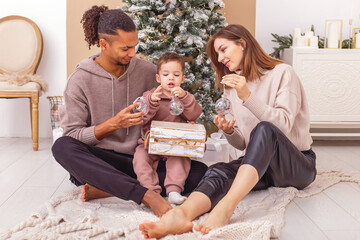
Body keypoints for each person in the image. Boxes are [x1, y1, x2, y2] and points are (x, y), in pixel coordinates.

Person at [139, 24, 317, 239]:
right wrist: (230, 131)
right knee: (219, 169)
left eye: (223, 49)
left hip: (297, 166)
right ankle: (180, 215)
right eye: (217, 53)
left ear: (242, 43)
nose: (220, 57)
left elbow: (282, 127)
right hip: (261, 168)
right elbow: (244, 144)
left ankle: (226, 208)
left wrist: (247, 96)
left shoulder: (282, 73)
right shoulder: (231, 85)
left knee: (265, 129)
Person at [51, 5, 208, 217]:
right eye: (125, 48)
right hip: (102, 160)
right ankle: (146, 195)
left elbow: (174, 110)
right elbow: (72, 135)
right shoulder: (79, 80)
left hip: (141, 159)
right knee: (62, 147)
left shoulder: (148, 71)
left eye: (135, 46)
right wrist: (113, 124)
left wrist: (183, 130)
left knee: (199, 173)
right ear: (104, 44)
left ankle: (110, 187)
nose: (133, 53)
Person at [133, 52, 203, 205]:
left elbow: (194, 115)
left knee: (180, 160)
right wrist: (151, 102)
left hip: (174, 144)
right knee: (140, 159)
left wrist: (184, 97)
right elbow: (141, 118)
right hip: (150, 144)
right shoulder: (150, 96)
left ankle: (173, 191)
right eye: (166, 74)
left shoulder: (184, 97)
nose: (171, 78)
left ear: (182, 79)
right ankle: (150, 191)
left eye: (176, 74)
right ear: (158, 78)